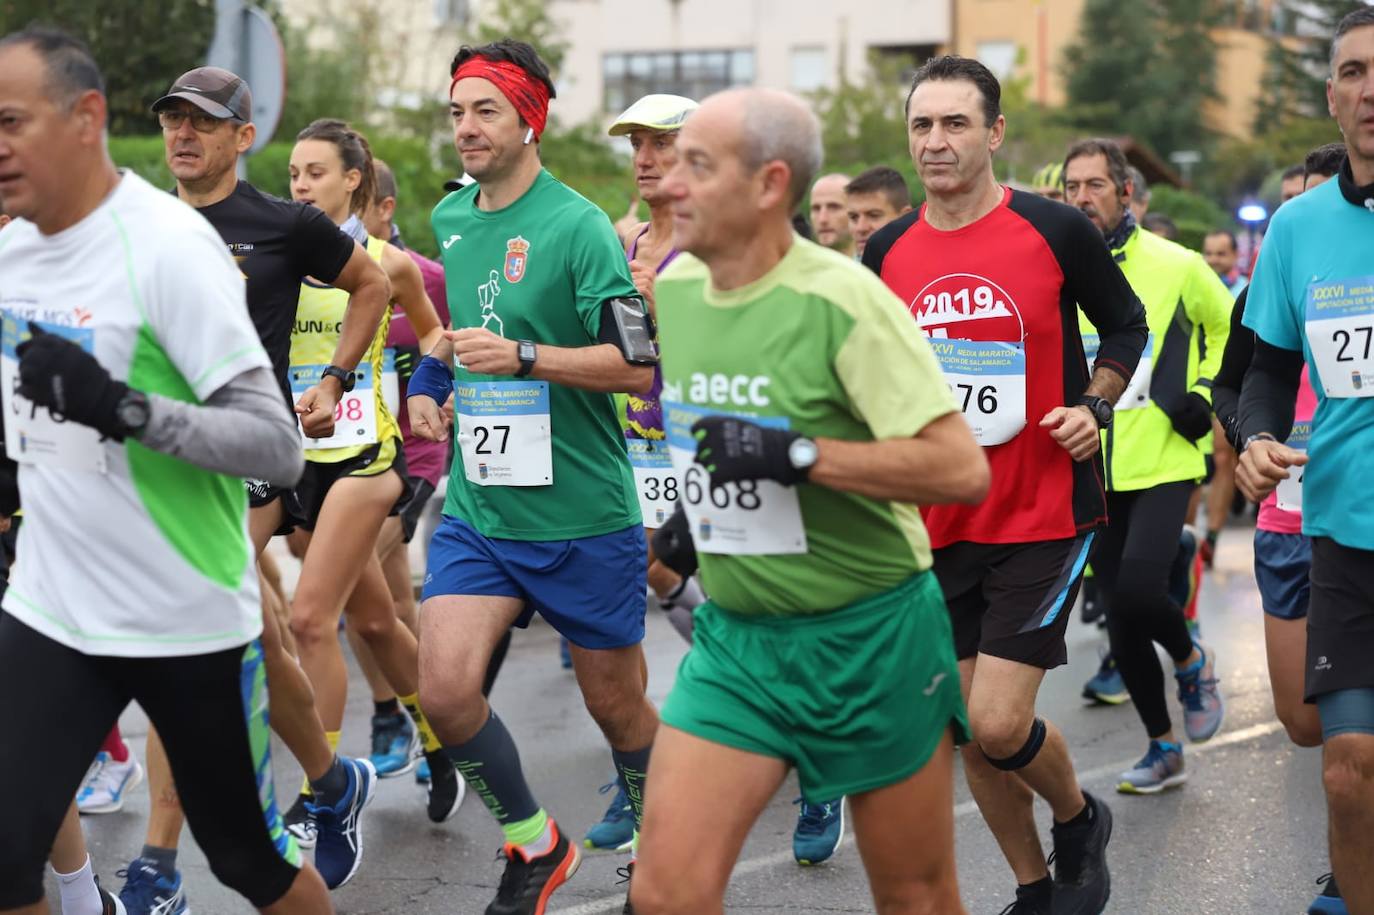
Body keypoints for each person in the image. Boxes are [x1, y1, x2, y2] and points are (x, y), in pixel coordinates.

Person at [628, 84, 987, 915]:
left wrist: (798, 455)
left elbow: (958, 469)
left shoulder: (844, 299)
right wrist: (691, 521)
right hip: (739, 645)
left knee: (916, 897)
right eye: (672, 162)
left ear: (769, 185)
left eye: (697, 164)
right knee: (666, 891)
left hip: (870, 637)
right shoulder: (676, 293)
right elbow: (712, 438)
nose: (670, 183)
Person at [0, 26, 333, 914]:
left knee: (248, 862)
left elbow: (275, 447)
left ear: (85, 120)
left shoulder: (168, 247)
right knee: (2, 851)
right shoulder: (11, 251)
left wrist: (122, 408)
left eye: (11, 122)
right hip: (53, 604)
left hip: (181, 612)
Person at [863, 56, 1146, 915]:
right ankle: (1031, 887)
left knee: (995, 720)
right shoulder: (887, 250)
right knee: (973, 733)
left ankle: (1078, 814)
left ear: (993, 134)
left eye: (955, 124)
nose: (937, 141)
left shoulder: (1056, 228)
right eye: (922, 125)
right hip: (938, 521)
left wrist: (1093, 406)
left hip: (1041, 511)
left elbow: (1126, 325)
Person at [407, 39, 660, 913]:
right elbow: (454, 325)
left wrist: (525, 358)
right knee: (442, 687)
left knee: (618, 709)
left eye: (484, 111)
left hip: (582, 512)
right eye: (456, 111)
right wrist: (430, 384)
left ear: (529, 120)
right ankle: (534, 844)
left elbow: (635, 366)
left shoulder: (581, 225)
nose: (466, 128)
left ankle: (660, 843)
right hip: (482, 509)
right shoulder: (453, 219)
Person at [1235, 10, 1374, 912]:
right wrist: (1252, 438)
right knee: (1347, 772)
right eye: (1355, 71)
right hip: (1346, 531)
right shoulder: (1298, 227)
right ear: (1332, 96)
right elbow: (1269, 368)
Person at [282, 117, 454, 840]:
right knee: (377, 618)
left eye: (314, 173)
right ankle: (449, 741)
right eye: (291, 175)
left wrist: (427, 389)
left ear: (354, 180)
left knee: (310, 618)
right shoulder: (277, 257)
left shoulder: (389, 260)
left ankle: (321, 788)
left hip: (370, 459)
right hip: (298, 461)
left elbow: (438, 333)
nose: (298, 186)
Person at [1063, 137, 1232, 792]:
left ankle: (1191, 657)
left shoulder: (1178, 263)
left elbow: (1229, 326)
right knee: (1120, 612)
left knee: (1135, 589)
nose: (1082, 198)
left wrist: (1204, 391)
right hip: (1095, 464)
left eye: (1094, 186)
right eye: (1072, 187)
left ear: (1125, 192)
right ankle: (1163, 745)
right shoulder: (1058, 266)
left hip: (1165, 455)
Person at [1212, 139, 1343, 915]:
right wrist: (1250, 436)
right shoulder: (1275, 276)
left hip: (1354, 517)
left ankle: (1348, 863)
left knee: (1349, 736)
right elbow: (1235, 382)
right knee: (1301, 721)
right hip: (1286, 515)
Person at [844, 165, 912, 258]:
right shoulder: (840, 271)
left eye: (873, 215)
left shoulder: (931, 268)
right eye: (854, 217)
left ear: (905, 217)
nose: (860, 228)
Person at [808, 172, 854, 256]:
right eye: (816, 208)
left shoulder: (878, 266)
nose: (822, 219)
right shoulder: (795, 266)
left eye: (834, 207)